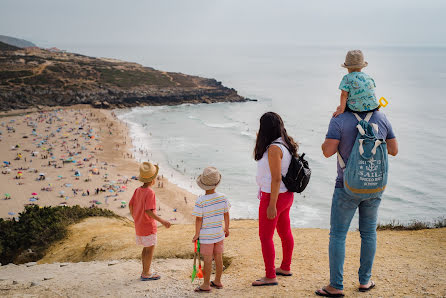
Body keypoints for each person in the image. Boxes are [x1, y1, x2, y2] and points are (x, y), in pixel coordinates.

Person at [316, 109, 398, 297]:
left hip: (346, 186)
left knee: (338, 235)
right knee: (368, 233)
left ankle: (336, 285)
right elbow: (393, 150)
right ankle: (365, 281)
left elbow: (327, 152)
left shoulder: (339, 120)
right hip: (373, 185)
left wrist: (329, 141)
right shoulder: (382, 118)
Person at [252, 112, 298, 286]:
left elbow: (276, 178)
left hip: (274, 197)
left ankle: (270, 276)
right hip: (286, 195)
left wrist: (271, 205)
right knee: (284, 232)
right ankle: (285, 267)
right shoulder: (284, 142)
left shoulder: (273, 149)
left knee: (265, 237)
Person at [129, 162, 171, 281]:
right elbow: (148, 211)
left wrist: (135, 217)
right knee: (150, 249)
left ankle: (145, 270)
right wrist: (162, 221)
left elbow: (130, 205)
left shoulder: (138, 190)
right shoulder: (150, 192)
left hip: (140, 225)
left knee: (145, 248)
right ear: (152, 179)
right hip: (148, 226)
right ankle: (146, 273)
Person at [192, 167, 230, 292]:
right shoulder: (223, 197)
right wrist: (227, 228)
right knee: (218, 257)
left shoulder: (201, 201)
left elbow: (199, 220)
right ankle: (218, 281)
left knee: (207, 260)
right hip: (219, 233)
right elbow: (226, 214)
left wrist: (197, 234)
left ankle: (206, 284)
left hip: (206, 236)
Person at [333, 50, 379, 117]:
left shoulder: (347, 78)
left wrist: (341, 109)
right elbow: (371, 93)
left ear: (347, 67)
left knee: (338, 107)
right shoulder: (368, 77)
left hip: (355, 109)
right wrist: (376, 108)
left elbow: (344, 95)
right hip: (373, 107)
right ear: (362, 66)